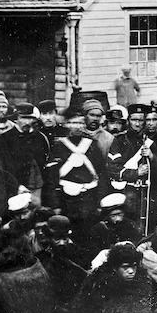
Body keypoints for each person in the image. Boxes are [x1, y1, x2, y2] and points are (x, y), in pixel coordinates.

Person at [70, 241, 157, 313]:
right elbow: (87, 311)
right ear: (114, 268)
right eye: (125, 267)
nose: (131, 271)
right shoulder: (100, 283)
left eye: (134, 266)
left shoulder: (142, 281)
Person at [49, 107, 108, 252]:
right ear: (65, 124)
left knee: (88, 234)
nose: (75, 127)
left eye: (79, 123)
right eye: (71, 123)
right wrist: (55, 204)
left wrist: (100, 202)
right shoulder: (58, 146)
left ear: (84, 124)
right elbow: (52, 179)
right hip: (65, 198)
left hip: (88, 197)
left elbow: (101, 174)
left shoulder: (93, 145)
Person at [107, 103, 157, 223]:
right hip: (124, 193)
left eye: (141, 120)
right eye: (134, 120)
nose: (137, 124)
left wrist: (151, 156)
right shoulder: (119, 141)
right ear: (128, 120)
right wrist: (136, 173)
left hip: (145, 195)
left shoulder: (150, 143)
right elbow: (113, 169)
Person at [0, 103, 50, 203]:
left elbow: (44, 163)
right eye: (24, 118)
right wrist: (16, 186)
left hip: (36, 186)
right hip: (14, 187)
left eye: (30, 118)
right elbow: (2, 168)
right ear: (16, 119)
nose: (27, 122)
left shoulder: (40, 138)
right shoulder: (4, 139)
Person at [35, 215, 88, 309]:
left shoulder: (78, 252)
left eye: (64, 238)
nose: (62, 243)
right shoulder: (41, 258)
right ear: (49, 238)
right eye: (57, 239)